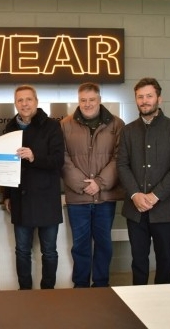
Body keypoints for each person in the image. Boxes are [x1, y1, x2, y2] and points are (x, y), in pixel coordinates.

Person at [117, 77, 170, 285]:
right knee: (138, 261)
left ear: (159, 98)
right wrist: (135, 194)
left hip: (165, 209)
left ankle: (163, 302)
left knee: (165, 261)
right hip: (135, 209)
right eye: (140, 97)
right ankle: (138, 300)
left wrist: (155, 195)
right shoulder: (128, 130)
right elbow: (122, 165)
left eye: (149, 96)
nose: (144, 101)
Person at [60, 82, 125, 288]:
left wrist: (99, 183)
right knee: (80, 245)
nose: (87, 104)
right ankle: (80, 286)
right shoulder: (65, 125)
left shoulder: (117, 124)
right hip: (77, 198)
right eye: (83, 100)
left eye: (91, 100)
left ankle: (101, 285)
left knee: (104, 244)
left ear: (99, 100)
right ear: (78, 101)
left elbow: (120, 158)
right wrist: (83, 184)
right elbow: (63, 158)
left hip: (105, 197)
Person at [3, 85, 65, 290]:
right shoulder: (10, 128)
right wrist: (7, 195)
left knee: (49, 251)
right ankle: (25, 292)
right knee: (22, 251)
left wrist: (34, 157)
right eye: (20, 100)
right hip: (20, 199)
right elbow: (6, 166)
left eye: (28, 99)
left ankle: (48, 291)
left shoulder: (52, 126)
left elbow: (58, 161)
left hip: (46, 199)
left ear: (36, 102)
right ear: (15, 104)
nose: (24, 104)